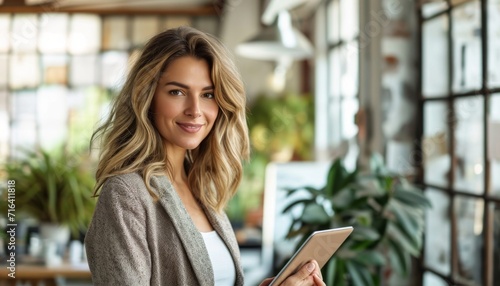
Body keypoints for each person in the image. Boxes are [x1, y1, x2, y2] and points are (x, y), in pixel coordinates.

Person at [84, 26, 325, 286]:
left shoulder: (202, 188)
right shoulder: (126, 194)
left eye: (208, 95)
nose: (195, 110)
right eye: (177, 92)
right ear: (147, 97)